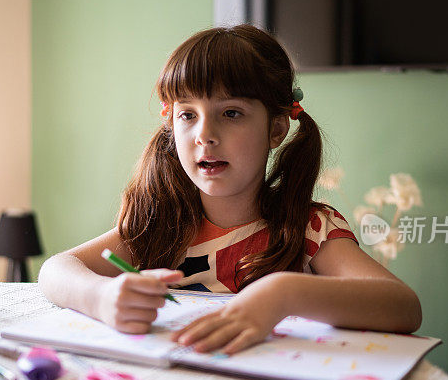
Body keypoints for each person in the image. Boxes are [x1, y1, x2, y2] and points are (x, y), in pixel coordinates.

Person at [38, 24, 421, 355]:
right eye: (187, 114)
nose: (205, 134)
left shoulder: (310, 228)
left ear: (275, 129)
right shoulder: (160, 222)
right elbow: (55, 271)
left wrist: (282, 293)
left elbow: (403, 306)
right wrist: (101, 297)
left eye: (231, 113)